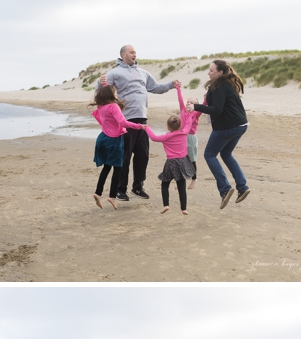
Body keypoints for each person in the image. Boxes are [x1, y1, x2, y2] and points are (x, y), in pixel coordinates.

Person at [99, 45, 179, 201]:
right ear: (123, 55)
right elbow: (102, 90)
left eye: (135, 52)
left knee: (143, 154)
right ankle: (121, 190)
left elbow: (156, 88)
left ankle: (138, 187)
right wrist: (101, 82)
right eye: (131, 52)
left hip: (142, 119)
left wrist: (171, 84)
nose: (134, 54)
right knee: (125, 156)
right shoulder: (114, 73)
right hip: (125, 120)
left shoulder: (143, 73)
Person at [191, 60, 252, 209]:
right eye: (209, 70)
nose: (209, 73)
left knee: (209, 155)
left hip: (228, 127)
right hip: (241, 125)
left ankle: (225, 189)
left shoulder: (218, 87)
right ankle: (242, 187)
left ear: (220, 73)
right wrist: (208, 98)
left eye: (212, 70)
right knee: (226, 154)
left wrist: (195, 107)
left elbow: (216, 110)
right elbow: (219, 104)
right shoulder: (227, 83)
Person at [89, 83, 144, 209]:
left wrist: (105, 84)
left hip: (103, 138)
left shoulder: (101, 106)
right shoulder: (113, 106)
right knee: (118, 168)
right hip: (114, 140)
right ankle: (112, 196)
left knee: (107, 167)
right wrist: (139, 126)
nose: (117, 94)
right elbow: (123, 122)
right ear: (110, 95)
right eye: (115, 93)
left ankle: (98, 193)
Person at [149, 83, 199, 214]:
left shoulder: (166, 136)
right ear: (180, 125)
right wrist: (190, 115)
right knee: (181, 185)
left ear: (168, 127)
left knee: (165, 183)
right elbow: (188, 123)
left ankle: (166, 204)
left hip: (170, 162)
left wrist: (146, 128)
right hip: (182, 161)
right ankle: (184, 208)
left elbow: (154, 138)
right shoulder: (184, 132)